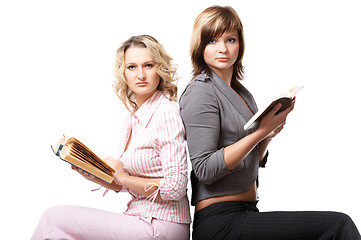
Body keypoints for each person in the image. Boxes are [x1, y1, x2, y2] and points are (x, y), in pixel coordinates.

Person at [179, 5, 360, 240]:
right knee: (338, 225)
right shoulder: (200, 92)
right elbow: (204, 169)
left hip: (246, 212)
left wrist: (267, 136)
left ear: (240, 44)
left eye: (230, 40)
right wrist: (260, 132)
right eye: (212, 41)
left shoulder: (243, 94)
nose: (222, 48)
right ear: (200, 46)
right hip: (220, 222)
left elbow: (249, 160)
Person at [32, 35, 191, 240]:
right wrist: (93, 174)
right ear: (123, 73)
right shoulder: (132, 119)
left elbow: (175, 187)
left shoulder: (165, 113)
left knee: (53, 219)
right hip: (138, 217)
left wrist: (123, 177)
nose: (141, 74)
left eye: (148, 65)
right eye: (132, 67)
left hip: (161, 224)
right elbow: (127, 185)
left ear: (159, 69)